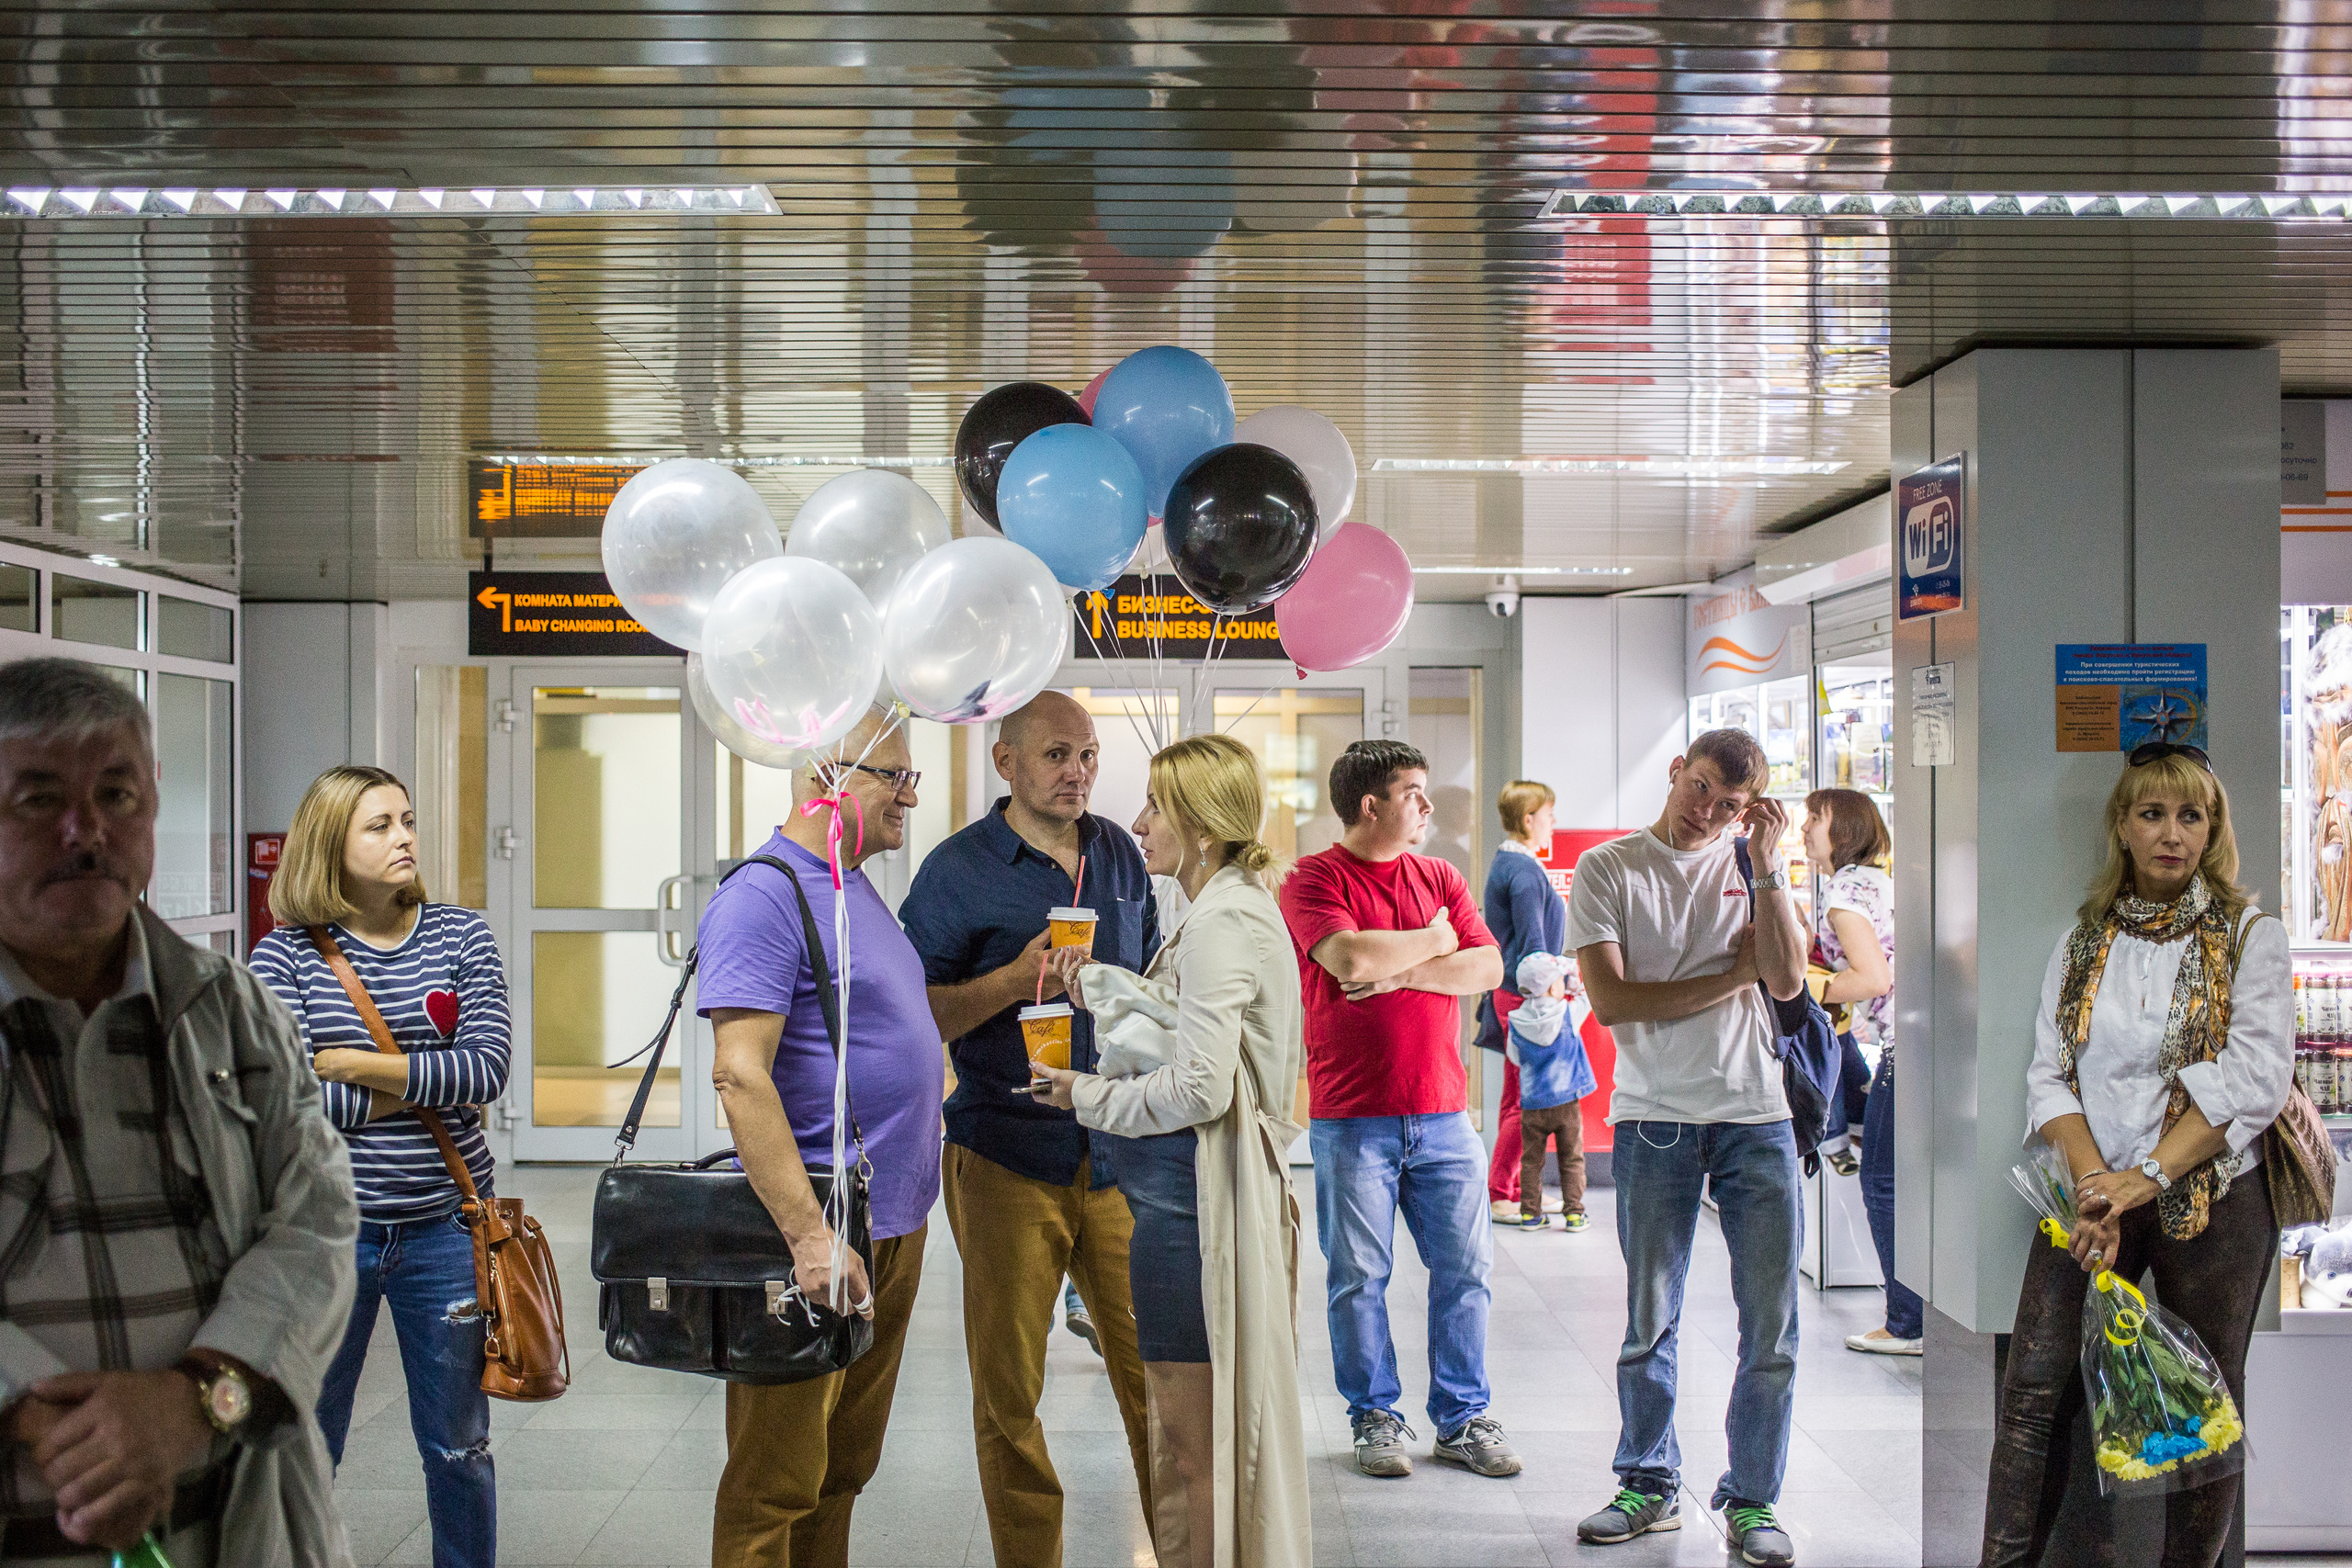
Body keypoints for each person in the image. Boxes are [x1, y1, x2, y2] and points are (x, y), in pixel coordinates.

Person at [0, 657, 358, 1566]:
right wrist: (45, 1419)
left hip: (225, 1529)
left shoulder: (229, 1008)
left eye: (117, 795)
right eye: (38, 800)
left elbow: (316, 1216)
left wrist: (197, 1403)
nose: (86, 832)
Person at [1983, 742, 2293, 1568]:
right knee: (2033, 1394)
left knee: (2201, 1407)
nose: (2171, 833)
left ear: (2213, 829)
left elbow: (2254, 1078)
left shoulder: (2250, 938)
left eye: (2191, 815)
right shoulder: (2083, 941)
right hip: (2089, 1196)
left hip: (2214, 1198)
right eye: (2152, 813)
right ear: (2122, 826)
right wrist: (2096, 1186)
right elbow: (2049, 1077)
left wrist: (2146, 1175)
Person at [1029, 732, 1310, 1568]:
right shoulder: (1219, 908)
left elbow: (1201, 1087)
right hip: (1178, 1210)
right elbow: (1186, 1022)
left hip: (1195, 1215)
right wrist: (1097, 984)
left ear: (1201, 825)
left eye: (1157, 806)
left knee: (1191, 1451)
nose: (1140, 821)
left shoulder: (1225, 917)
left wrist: (1083, 1094)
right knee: (1194, 1440)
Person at [899, 691, 1159, 1566]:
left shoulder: (1120, 853)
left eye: (1088, 754)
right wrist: (1011, 982)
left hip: (1117, 1156)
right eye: (1056, 755)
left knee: (1158, 1381)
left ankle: (1184, 1546)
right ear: (1006, 762)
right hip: (1004, 1152)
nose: (1078, 771)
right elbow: (918, 1014)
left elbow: (1146, 978)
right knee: (1009, 1397)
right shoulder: (956, 869)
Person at [695, 704, 944, 1567]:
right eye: (897, 776)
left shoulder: (851, 885)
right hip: (815, 1228)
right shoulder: (764, 893)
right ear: (828, 777)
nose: (911, 795)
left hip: (889, 1221)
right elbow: (740, 1072)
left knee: (842, 1467)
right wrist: (809, 1236)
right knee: (774, 1482)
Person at [251, 766, 513, 1567]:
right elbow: (283, 1104)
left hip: (446, 1229)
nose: (404, 837)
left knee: (458, 1447)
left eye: (406, 820)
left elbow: (488, 1069)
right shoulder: (283, 958)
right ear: (331, 842)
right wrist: (421, 1084)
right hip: (326, 1239)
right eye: (379, 826)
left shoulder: (460, 935)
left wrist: (356, 1065)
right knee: (308, 1445)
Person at [1567, 728, 1805, 1568]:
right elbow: (1616, 1001)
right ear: (1676, 770)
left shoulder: (1753, 869)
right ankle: (1648, 1482)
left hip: (1757, 1115)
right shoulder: (1609, 868)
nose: (1710, 811)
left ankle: (1753, 1497)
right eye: (1701, 787)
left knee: (1771, 1327)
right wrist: (1729, 974)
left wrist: (1769, 867)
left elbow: (1785, 979)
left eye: (1732, 804)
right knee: (1649, 1318)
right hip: (1656, 1115)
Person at [1278, 739, 1515, 1481]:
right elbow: (1348, 961)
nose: (1428, 806)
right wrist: (1437, 939)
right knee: (1358, 1275)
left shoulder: (1439, 873)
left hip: (1444, 1113)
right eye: (1415, 791)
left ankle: (1463, 1416)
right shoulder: (1311, 878)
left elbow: (1489, 966)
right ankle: (1375, 1414)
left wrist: (1401, 961)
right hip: (1353, 1117)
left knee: (1465, 1271)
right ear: (1371, 803)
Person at [1800, 789, 1917, 1356]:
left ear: (1841, 828)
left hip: (1904, 1044)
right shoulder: (1873, 881)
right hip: (1915, 1041)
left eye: (1814, 820)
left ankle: (1906, 1321)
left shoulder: (1844, 892)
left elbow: (1872, 979)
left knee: (1883, 1182)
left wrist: (1806, 990)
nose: (1803, 830)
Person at [1483, 779, 1567, 1221]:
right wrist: (1557, 986)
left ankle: (1515, 1186)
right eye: (1549, 816)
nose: (1554, 824)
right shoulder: (1524, 873)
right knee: (1529, 1100)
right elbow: (1534, 948)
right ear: (1529, 819)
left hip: (1509, 994)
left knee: (1515, 1095)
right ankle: (1501, 1191)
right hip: (1523, 997)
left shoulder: (1507, 865)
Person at [1503, 951, 1596, 1232]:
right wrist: (1573, 981)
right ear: (1555, 986)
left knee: (1531, 1162)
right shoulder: (1567, 1013)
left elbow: (1515, 1057)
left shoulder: (1516, 1020)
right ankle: (1574, 1214)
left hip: (1532, 1104)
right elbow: (1587, 997)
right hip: (1566, 1102)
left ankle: (1530, 1215)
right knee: (1571, 1159)